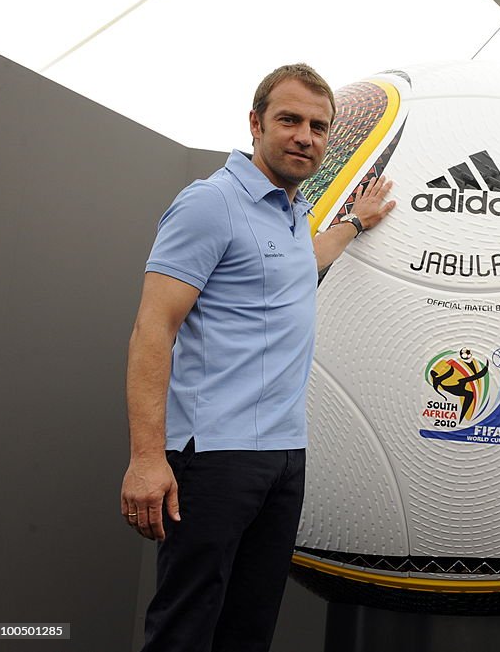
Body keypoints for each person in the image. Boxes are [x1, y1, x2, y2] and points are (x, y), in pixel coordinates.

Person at [120, 63, 394, 652]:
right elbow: (152, 329)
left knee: (248, 627)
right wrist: (147, 459)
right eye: (290, 120)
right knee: (185, 626)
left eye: (319, 127)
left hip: (282, 457)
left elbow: (301, 265)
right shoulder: (210, 204)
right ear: (255, 123)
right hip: (214, 457)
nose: (305, 137)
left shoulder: (292, 212)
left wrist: (353, 223)